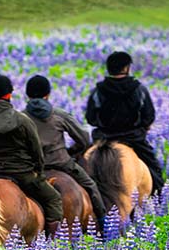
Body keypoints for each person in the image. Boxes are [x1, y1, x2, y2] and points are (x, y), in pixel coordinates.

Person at [0, 74, 65, 237]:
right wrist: (38, 171)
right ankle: (53, 243)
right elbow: (36, 151)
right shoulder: (22, 120)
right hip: (20, 173)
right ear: (9, 94)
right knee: (53, 199)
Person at [23, 75, 107, 224]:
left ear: (27, 95)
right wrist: (72, 151)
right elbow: (83, 138)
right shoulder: (59, 115)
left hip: (32, 168)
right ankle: (103, 223)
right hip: (61, 163)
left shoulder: (20, 117)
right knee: (90, 185)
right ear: (47, 94)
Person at [85, 51, 164, 193]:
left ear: (109, 68)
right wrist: (142, 127)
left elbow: (91, 118)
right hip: (133, 138)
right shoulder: (139, 89)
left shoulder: (98, 90)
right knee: (154, 171)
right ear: (127, 68)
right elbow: (148, 116)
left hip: (104, 139)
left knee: (80, 169)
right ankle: (158, 202)